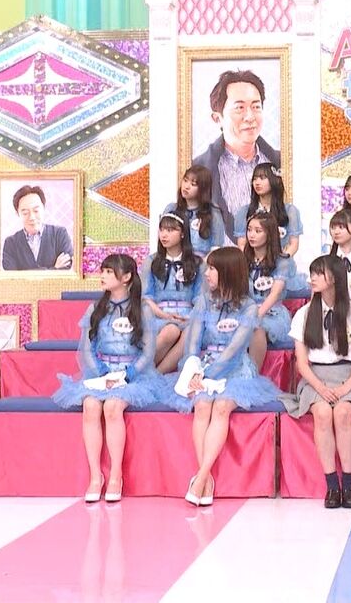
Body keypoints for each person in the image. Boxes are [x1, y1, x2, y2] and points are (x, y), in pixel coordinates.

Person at [167, 246, 281, 506]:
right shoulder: (204, 301)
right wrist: (195, 370)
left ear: (228, 271)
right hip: (205, 364)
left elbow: (234, 350)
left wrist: (208, 375)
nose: (206, 274)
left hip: (235, 369)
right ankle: (205, 479)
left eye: (212, 269)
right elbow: (193, 341)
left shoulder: (249, 307)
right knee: (202, 405)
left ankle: (200, 478)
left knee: (221, 408)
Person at [52, 254, 162, 502]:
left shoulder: (143, 309)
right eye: (102, 271)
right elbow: (87, 348)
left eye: (109, 272)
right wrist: (102, 373)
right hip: (102, 373)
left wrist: (127, 375)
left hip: (133, 376)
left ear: (126, 277)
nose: (102, 276)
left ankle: (116, 475)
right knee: (91, 405)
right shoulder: (96, 308)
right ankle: (95, 476)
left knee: (112, 407)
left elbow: (148, 353)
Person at [282, 255, 351, 509]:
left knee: (342, 413)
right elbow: (302, 364)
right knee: (322, 414)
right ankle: (332, 485)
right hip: (315, 378)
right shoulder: (303, 314)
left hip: (348, 377)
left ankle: (348, 484)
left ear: (334, 277)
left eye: (318, 273)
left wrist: (345, 388)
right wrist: (321, 388)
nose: (312, 278)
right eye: (312, 273)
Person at [192, 70, 281, 236]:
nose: (250, 117)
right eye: (240, 108)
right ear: (217, 118)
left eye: (256, 107)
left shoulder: (282, 163)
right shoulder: (197, 169)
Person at [142, 214, 202, 372]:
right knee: (171, 330)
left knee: (190, 332)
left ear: (182, 233)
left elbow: (200, 297)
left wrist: (190, 316)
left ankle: (157, 375)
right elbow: (146, 297)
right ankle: (140, 369)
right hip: (158, 313)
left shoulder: (196, 263)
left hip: (187, 315)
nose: (164, 235)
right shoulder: (152, 261)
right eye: (162, 230)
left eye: (170, 230)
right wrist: (164, 315)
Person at [240, 211, 296, 369]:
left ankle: (252, 373)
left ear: (269, 234)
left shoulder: (282, 261)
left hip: (272, 312)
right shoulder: (242, 258)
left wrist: (256, 315)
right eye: (249, 230)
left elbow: (275, 294)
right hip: (246, 309)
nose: (251, 235)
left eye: (258, 231)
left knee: (256, 328)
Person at [232, 163, 303, 256]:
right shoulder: (244, 211)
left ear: (274, 181)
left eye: (262, 178)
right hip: (253, 262)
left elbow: (293, 244)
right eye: (255, 179)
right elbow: (242, 245)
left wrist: (282, 259)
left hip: (281, 261)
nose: (257, 182)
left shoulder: (290, 211)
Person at [1, 184, 74, 271]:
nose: (32, 217)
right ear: (17, 214)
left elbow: (66, 267)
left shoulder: (60, 234)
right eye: (25, 213)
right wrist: (54, 269)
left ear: (44, 209)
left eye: (36, 211)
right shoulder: (10, 243)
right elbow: (12, 276)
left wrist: (26, 273)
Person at [163, 165, 228, 257]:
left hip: (203, 261)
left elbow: (216, 248)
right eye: (185, 180)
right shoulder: (171, 209)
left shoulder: (213, 212)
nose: (186, 186)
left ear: (203, 189)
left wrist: (202, 263)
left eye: (193, 184)